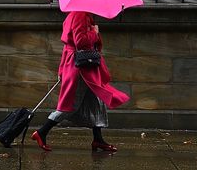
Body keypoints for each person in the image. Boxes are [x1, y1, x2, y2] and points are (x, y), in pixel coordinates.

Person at [31, 11, 129, 152]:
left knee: (97, 102)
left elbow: (70, 45)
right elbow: (80, 42)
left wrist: (61, 70)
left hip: (85, 67)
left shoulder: (80, 15)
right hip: (81, 69)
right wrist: (94, 33)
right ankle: (42, 132)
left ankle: (98, 140)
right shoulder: (80, 15)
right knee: (70, 104)